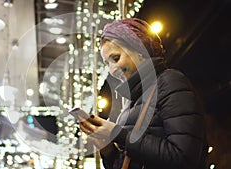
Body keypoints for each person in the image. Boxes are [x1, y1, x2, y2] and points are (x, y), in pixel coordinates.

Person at [78, 18, 208, 169]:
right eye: (107, 63)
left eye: (116, 58)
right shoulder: (132, 100)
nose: (112, 70)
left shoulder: (170, 82)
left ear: (139, 51)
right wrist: (109, 151)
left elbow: (184, 158)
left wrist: (118, 133)